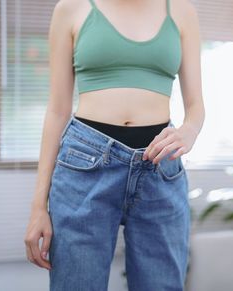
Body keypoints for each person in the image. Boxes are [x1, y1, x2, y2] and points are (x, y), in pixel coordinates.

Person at [23, 0, 205, 289]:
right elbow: (57, 110)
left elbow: (196, 106)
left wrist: (189, 131)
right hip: (85, 165)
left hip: (160, 167)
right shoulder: (71, 8)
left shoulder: (182, 10)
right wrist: (38, 208)